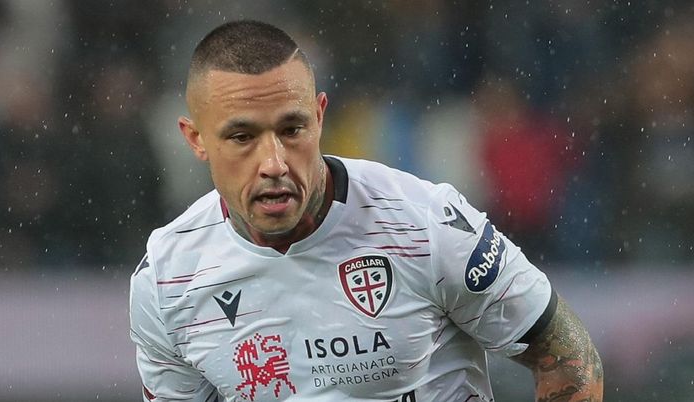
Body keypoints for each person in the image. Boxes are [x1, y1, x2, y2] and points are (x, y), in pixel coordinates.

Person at [129, 20, 603, 401]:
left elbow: (566, 356)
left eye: (292, 130)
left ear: (319, 116)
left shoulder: (426, 223)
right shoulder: (167, 279)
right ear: (196, 139)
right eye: (242, 137)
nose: (273, 163)